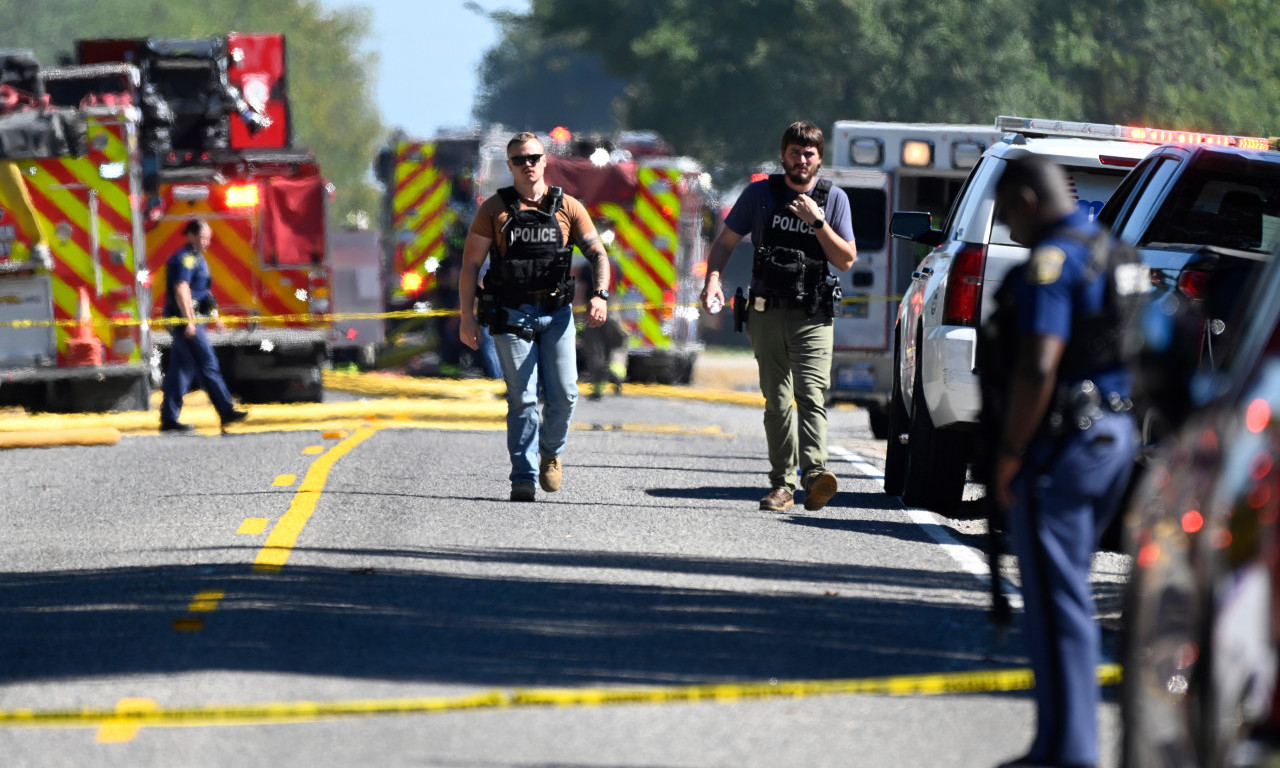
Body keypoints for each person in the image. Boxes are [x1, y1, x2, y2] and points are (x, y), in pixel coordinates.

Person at [987, 155, 1142, 768]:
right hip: (1113, 433)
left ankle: (1071, 751)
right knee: (1065, 593)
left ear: (1026, 199)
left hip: (1068, 443)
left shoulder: (1055, 259)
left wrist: (1009, 453)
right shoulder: (1113, 248)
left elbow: (1038, 364)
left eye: (1005, 213)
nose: (1008, 227)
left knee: (1056, 602)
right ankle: (1054, 743)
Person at [701, 121, 857, 513]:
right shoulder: (760, 194)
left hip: (813, 317)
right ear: (782, 155)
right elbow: (724, 244)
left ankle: (815, 475)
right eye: (794, 152)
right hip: (766, 313)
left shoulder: (833, 199)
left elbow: (846, 259)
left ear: (820, 159)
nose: (801, 160)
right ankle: (782, 485)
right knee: (777, 402)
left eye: (809, 154)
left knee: (812, 395)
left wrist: (817, 222)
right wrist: (713, 280)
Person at [458, 132, 610, 501]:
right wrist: (466, 318)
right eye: (519, 159)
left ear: (545, 161)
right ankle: (523, 476)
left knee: (566, 394)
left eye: (533, 157)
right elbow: (470, 266)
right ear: (510, 166)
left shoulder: (568, 207)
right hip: (511, 316)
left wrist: (600, 294)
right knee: (523, 398)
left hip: (556, 315)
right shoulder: (494, 209)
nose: (528, 164)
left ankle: (551, 454)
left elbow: (598, 254)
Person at [159, 218, 248, 433]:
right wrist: (189, 320)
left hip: (195, 320)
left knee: (181, 369)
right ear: (189, 235)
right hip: (187, 322)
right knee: (208, 364)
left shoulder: (198, 259)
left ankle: (169, 418)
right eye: (201, 237)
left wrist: (215, 316)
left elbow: (203, 293)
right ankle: (226, 411)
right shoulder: (187, 258)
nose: (205, 242)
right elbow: (182, 288)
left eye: (208, 238)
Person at [575, 260, 625, 399]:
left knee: (594, 349)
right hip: (612, 309)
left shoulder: (587, 266)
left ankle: (598, 389)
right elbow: (618, 288)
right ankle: (616, 373)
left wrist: (578, 317)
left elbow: (581, 291)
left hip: (592, 310)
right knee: (617, 343)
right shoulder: (615, 265)